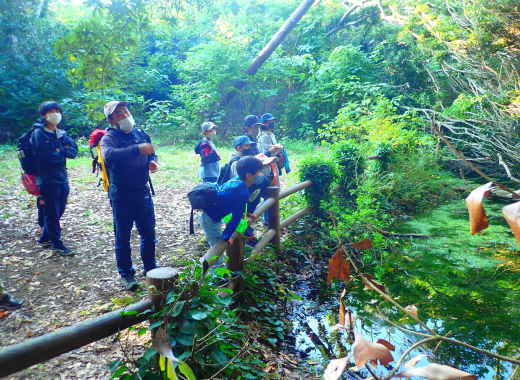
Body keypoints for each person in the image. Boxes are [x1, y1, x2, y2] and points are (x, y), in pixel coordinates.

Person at [100, 101, 159, 291]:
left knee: (148, 233)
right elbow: (109, 156)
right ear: (111, 120)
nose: (124, 115)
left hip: (142, 190)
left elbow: (151, 153)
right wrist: (137, 150)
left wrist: (152, 161)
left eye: (125, 111)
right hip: (121, 193)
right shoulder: (109, 138)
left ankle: (150, 267)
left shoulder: (140, 133)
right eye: (119, 114)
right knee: (123, 235)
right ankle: (126, 274)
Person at [30, 101, 78, 255]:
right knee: (52, 211)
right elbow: (47, 157)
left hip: (62, 177)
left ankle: (45, 237)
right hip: (46, 178)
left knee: (59, 209)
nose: (55, 114)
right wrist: (60, 151)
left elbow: (73, 152)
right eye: (51, 111)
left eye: (57, 110)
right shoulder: (38, 133)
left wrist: (59, 150)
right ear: (44, 115)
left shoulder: (61, 133)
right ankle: (57, 244)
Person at [200, 156, 263, 248]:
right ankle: (213, 262)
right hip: (210, 217)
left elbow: (233, 204)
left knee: (242, 225)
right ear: (249, 175)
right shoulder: (241, 191)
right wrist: (227, 237)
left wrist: (247, 213)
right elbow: (235, 218)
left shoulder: (237, 180)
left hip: (220, 212)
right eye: (258, 172)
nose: (261, 175)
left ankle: (244, 245)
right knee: (217, 244)